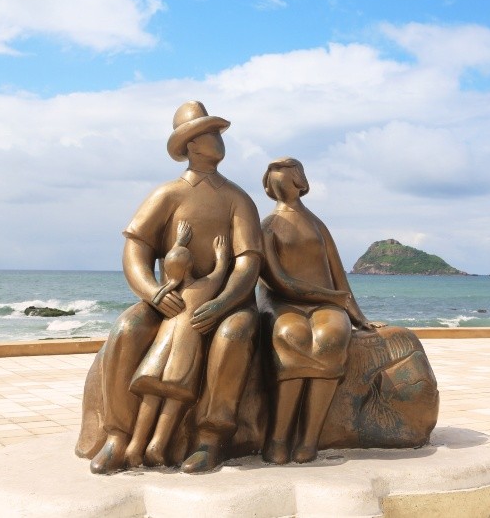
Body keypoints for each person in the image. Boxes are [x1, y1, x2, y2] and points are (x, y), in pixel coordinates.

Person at [81, 101, 263, 474]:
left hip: (225, 302)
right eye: (210, 133)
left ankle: (211, 439)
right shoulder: (166, 194)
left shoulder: (237, 199)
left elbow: (248, 261)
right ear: (192, 144)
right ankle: (118, 435)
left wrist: (226, 300)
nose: (218, 140)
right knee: (129, 328)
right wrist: (152, 292)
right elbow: (137, 247)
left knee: (233, 334)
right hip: (173, 297)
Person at [257, 157, 383, 465]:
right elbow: (276, 280)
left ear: (300, 182)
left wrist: (356, 314)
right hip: (283, 302)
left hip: (325, 304)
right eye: (275, 179)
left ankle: (309, 439)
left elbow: (339, 276)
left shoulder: (316, 224)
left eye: (287, 177)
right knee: (292, 336)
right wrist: (332, 296)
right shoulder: (267, 226)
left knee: (331, 337)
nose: (281, 183)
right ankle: (278, 438)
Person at [124, 221, 231, 467]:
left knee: (151, 395)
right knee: (174, 396)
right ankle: (157, 445)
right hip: (183, 355)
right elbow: (219, 273)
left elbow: (173, 266)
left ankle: (136, 444)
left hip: (158, 356)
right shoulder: (201, 288)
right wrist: (221, 256)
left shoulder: (167, 293)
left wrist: (179, 243)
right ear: (191, 265)